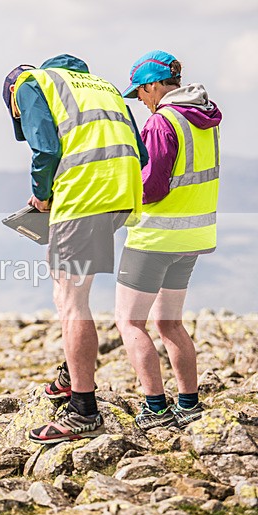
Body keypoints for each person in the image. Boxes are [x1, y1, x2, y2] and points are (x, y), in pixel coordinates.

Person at [2, 54, 148, 444]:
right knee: (73, 292)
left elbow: (46, 151)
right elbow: (142, 153)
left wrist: (41, 196)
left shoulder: (31, 84)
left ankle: (83, 409)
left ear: (12, 95)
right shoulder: (103, 87)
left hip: (84, 195)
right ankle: (71, 373)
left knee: (70, 300)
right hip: (122, 194)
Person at [114, 51, 221, 430]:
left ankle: (156, 408)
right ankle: (189, 404)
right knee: (170, 322)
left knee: (129, 321)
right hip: (193, 236)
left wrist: (117, 194)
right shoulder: (206, 118)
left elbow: (154, 186)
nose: (141, 101)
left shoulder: (163, 122)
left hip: (154, 237)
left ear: (155, 86)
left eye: (140, 93)